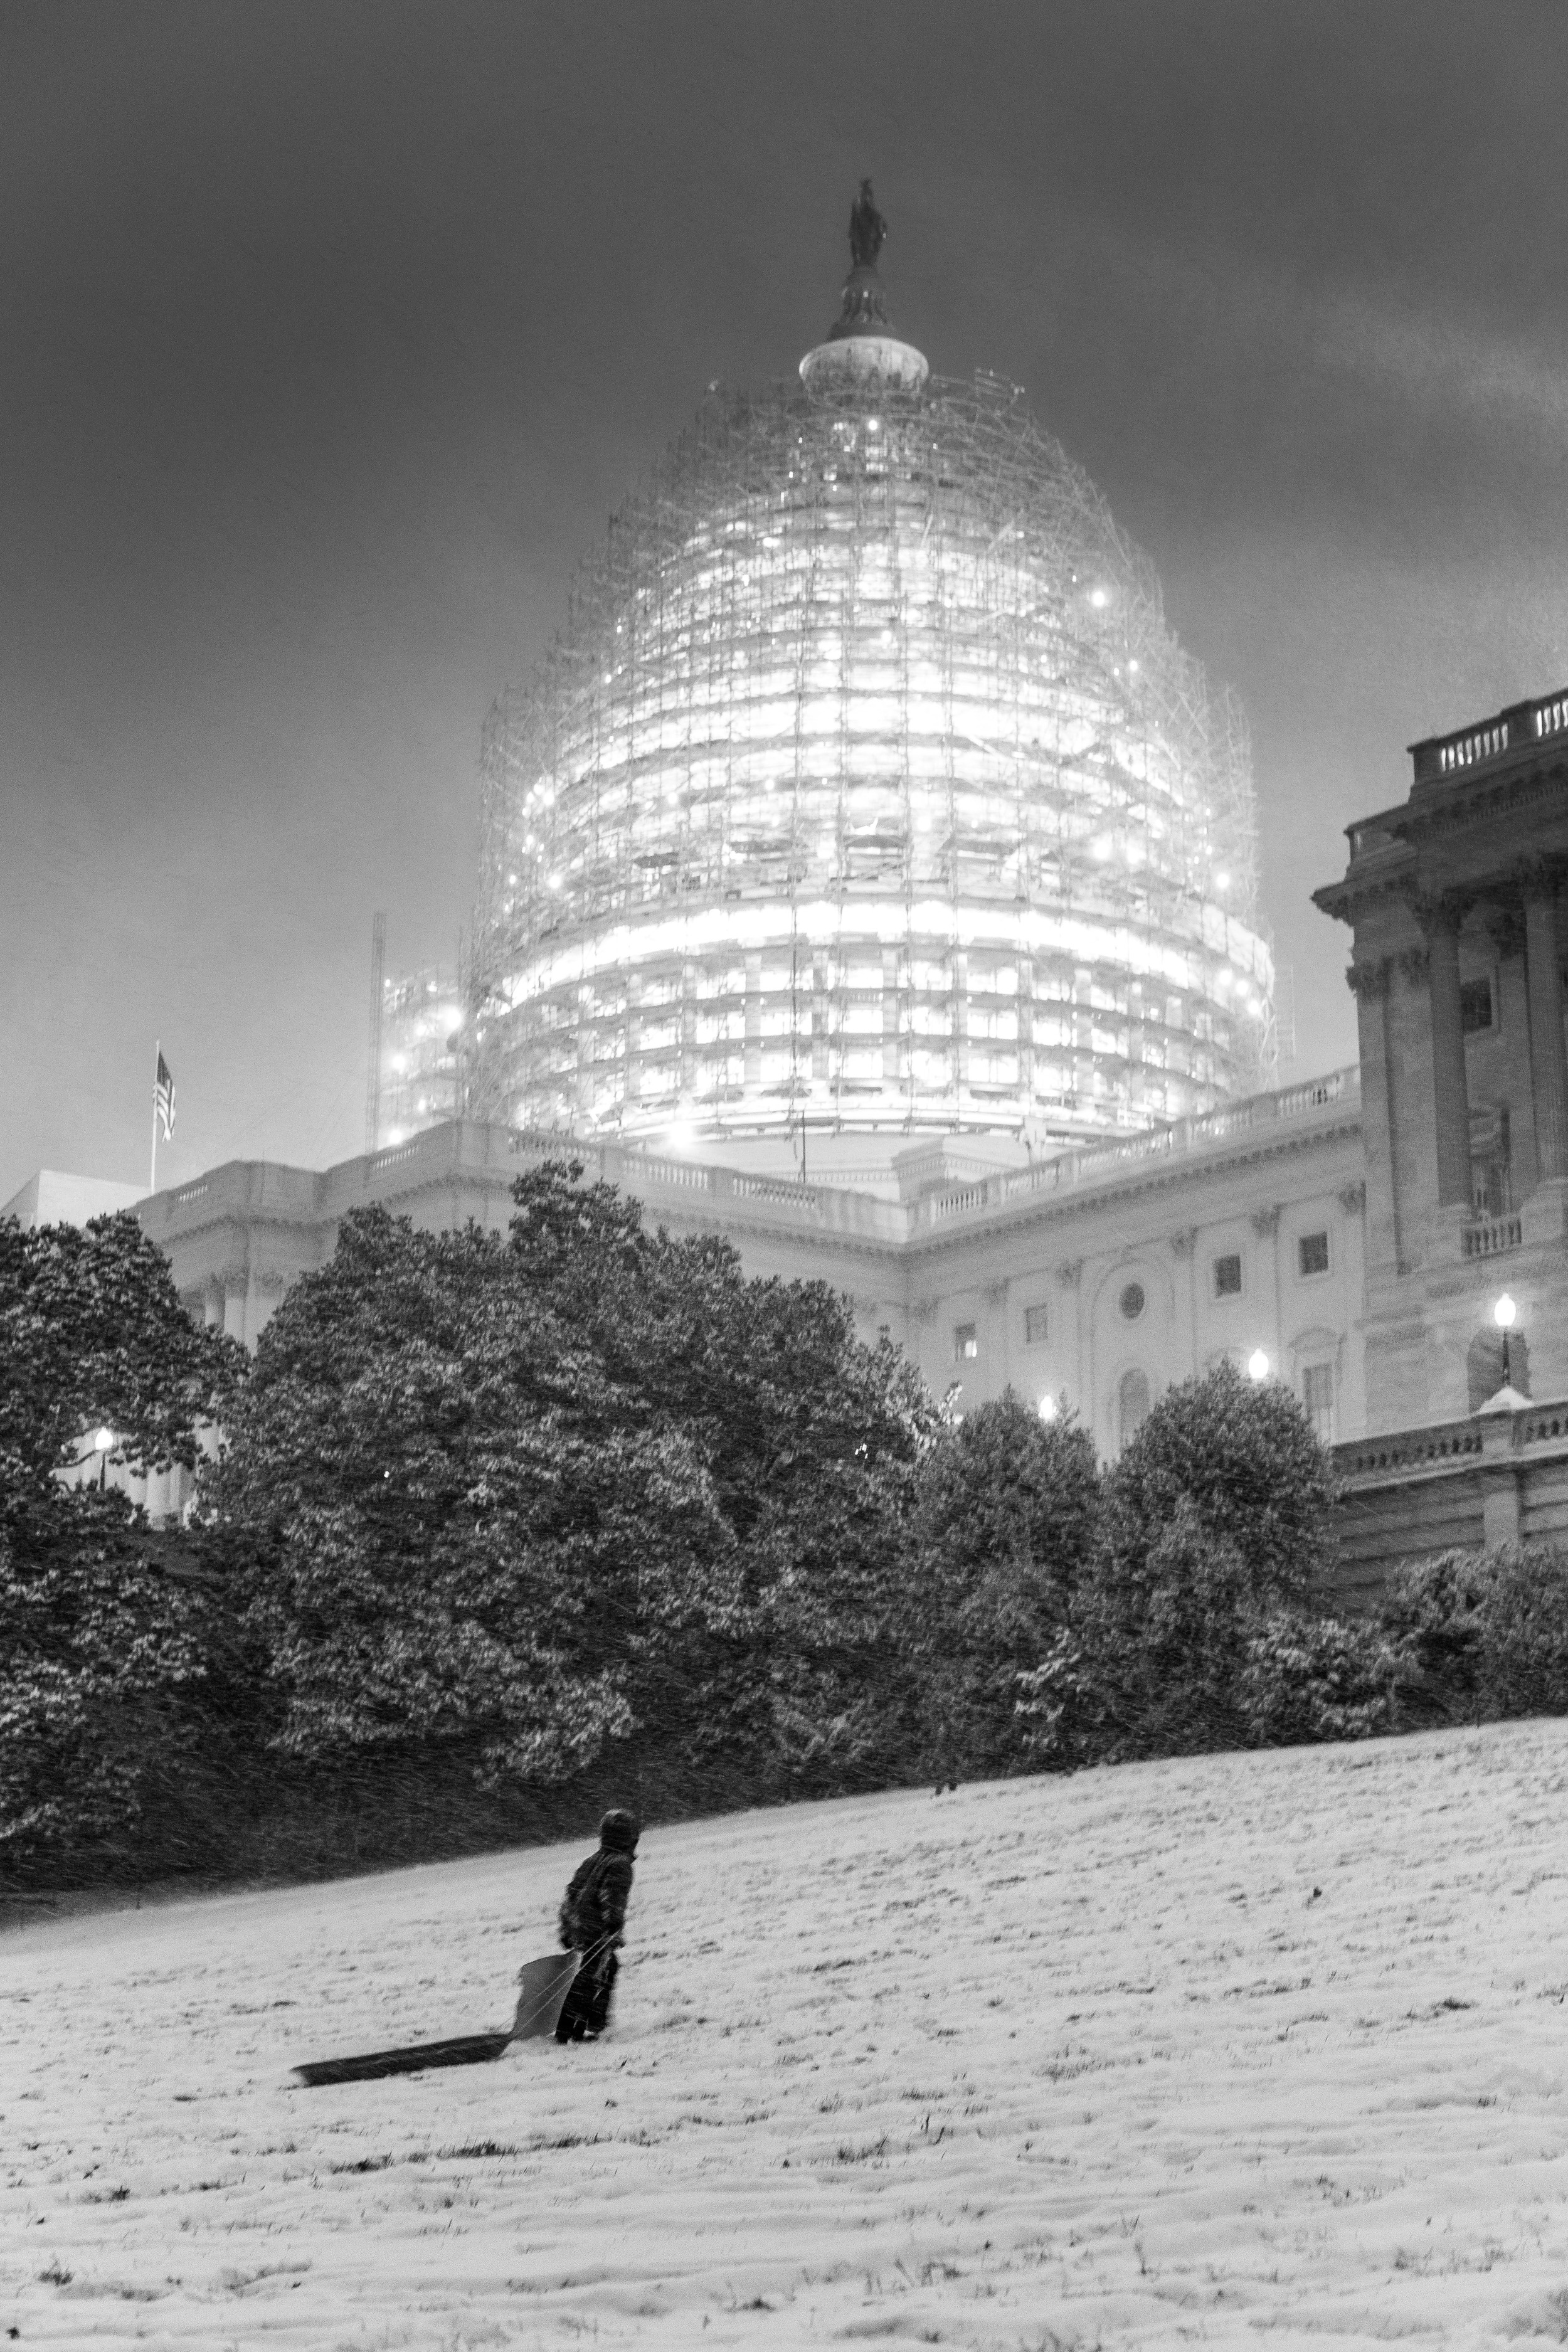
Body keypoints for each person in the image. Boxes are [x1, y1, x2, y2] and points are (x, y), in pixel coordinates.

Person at [553, 1808, 639, 2043]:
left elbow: (571, 1894)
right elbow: (612, 1897)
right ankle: (578, 2029)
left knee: (599, 1971)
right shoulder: (619, 1865)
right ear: (631, 1838)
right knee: (592, 1977)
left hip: (580, 1927)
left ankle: (584, 2024)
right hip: (596, 1931)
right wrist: (613, 1926)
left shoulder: (592, 1860)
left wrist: (567, 1928)